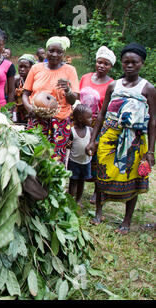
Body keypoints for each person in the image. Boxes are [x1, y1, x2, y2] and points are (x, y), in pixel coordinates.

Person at [85, 43, 156, 235]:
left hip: (135, 139)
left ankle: (126, 220)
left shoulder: (148, 88)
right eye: (126, 62)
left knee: (132, 176)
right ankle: (99, 212)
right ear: (122, 64)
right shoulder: (113, 85)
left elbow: (153, 122)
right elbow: (101, 114)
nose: (130, 66)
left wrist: (150, 151)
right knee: (101, 172)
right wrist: (93, 139)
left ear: (142, 63)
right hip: (109, 135)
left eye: (134, 62)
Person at [21, 36, 80, 163]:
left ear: (64, 54)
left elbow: (73, 100)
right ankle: (34, 184)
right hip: (37, 119)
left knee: (55, 161)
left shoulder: (70, 70)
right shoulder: (36, 68)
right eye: (51, 51)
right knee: (34, 157)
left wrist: (68, 90)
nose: (54, 54)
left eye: (59, 52)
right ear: (46, 51)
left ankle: (52, 183)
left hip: (60, 122)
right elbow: (25, 93)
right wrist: (29, 107)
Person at [79, 46, 115, 204]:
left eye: (106, 64)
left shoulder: (113, 84)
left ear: (110, 67)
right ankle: (77, 184)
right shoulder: (85, 77)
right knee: (80, 152)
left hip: (99, 123)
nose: (102, 65)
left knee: (98, 157)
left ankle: (97, 191)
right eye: (99, 62)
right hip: (81, 122)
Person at [67, 104, 93, 204]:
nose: (91, 119)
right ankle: (71, 200)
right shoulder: (72, 131)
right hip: (74, 161)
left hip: (86, 162)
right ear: (81, 119)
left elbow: (94, 143)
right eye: (89, 117)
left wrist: (92, 149)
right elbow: (68, 145)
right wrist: (68, 145)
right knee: (73, 182)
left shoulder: (90, 130)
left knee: (81, 182)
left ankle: (78, 200)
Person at [14, 54, 37, 123]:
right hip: (20, 114)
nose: (22, 69)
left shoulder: (36, 82)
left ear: (32, 68)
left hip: (33, 113)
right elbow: (12, 99)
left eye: (25, 67)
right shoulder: (16, 80)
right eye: (20, 67)